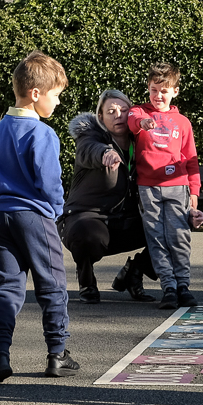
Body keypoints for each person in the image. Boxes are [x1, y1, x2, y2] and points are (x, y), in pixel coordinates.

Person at [0, 50, 77, 385]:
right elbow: (49, 181)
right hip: (34, 216)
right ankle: (57, 353)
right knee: (51, 283)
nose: (58, 103)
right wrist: (58, 212)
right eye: (56, 95)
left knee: (6, 286)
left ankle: (0, 355)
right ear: (36, 94)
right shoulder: (42, 134)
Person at [59, 89, 155, 303]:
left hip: (125, 220)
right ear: (100, 117)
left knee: (172, 227)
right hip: (86, 218)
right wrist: (105, 153)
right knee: (88, 235)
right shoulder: (89, 138)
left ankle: (134, 273)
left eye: (123, 110)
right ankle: (86, 282)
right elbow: (88, 150)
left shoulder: (142, 141)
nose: (118, 115)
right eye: (110, 111)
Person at [127, 62, 203, 309]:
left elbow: (191, 160)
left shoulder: (182, 122)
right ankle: (168, 287)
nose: (158, 95)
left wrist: (194, 191)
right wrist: (143, 124)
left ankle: (183, 285)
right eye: (153, 89)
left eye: (164, 90)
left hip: (177, 186)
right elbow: (133, 121)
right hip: (148, 188)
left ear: (175, 91)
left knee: (179, 237)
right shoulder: (139, 112)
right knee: (157, 238)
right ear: (148, 89)